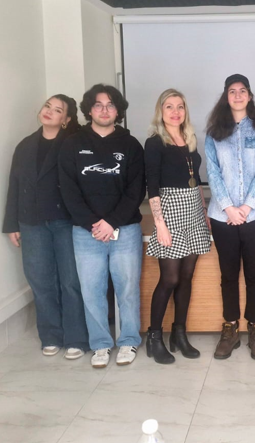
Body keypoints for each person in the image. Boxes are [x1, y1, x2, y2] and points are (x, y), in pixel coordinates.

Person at [59, 84, 146, 368]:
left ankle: (129, 340)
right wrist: (93, 224)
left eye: (110, 105)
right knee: (91, 291)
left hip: (126, 230)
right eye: (98, 105)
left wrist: (111, 222)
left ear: (118, 111)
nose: (104, 110)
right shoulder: (72, 144)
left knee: (127, 289)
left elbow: (136, 190)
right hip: (86, 233)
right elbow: (69, 191)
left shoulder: (131, 145)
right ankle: (100, 344)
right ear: (89, 110)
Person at [3, 95, 89, 359]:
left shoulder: (72, 144)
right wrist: (11, 223)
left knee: (70, 281)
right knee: (40, 281)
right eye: (47, 107)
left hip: (66, 221)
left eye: (57, 110)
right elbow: (15, 185)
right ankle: (51, 335)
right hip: (31, 222)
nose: (49, 112)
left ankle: (76, 338)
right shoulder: (25, 145)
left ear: (66, 119)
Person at [205, 74, 255, 360]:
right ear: (226, 96)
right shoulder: (214, 132)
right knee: (229, 275)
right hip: (223, 218)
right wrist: (229, 208)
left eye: (242, 90)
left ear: (249, 95)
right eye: (232, 91)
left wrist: (246, 207)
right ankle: (230, 328)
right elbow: (212, 172)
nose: (237, 95)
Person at [144, 89, 211, 364]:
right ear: (160, 111)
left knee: (186, 277)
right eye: (169, 106)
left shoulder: (190, 139)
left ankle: (179, 334)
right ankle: (154, 337)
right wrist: (159, 224)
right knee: (169, 278)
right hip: (169, 210)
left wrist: (204, 212)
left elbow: (195, 180)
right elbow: (152, 186)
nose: (175, 112)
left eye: (180, 106)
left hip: (193, 209)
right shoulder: (154, 142)